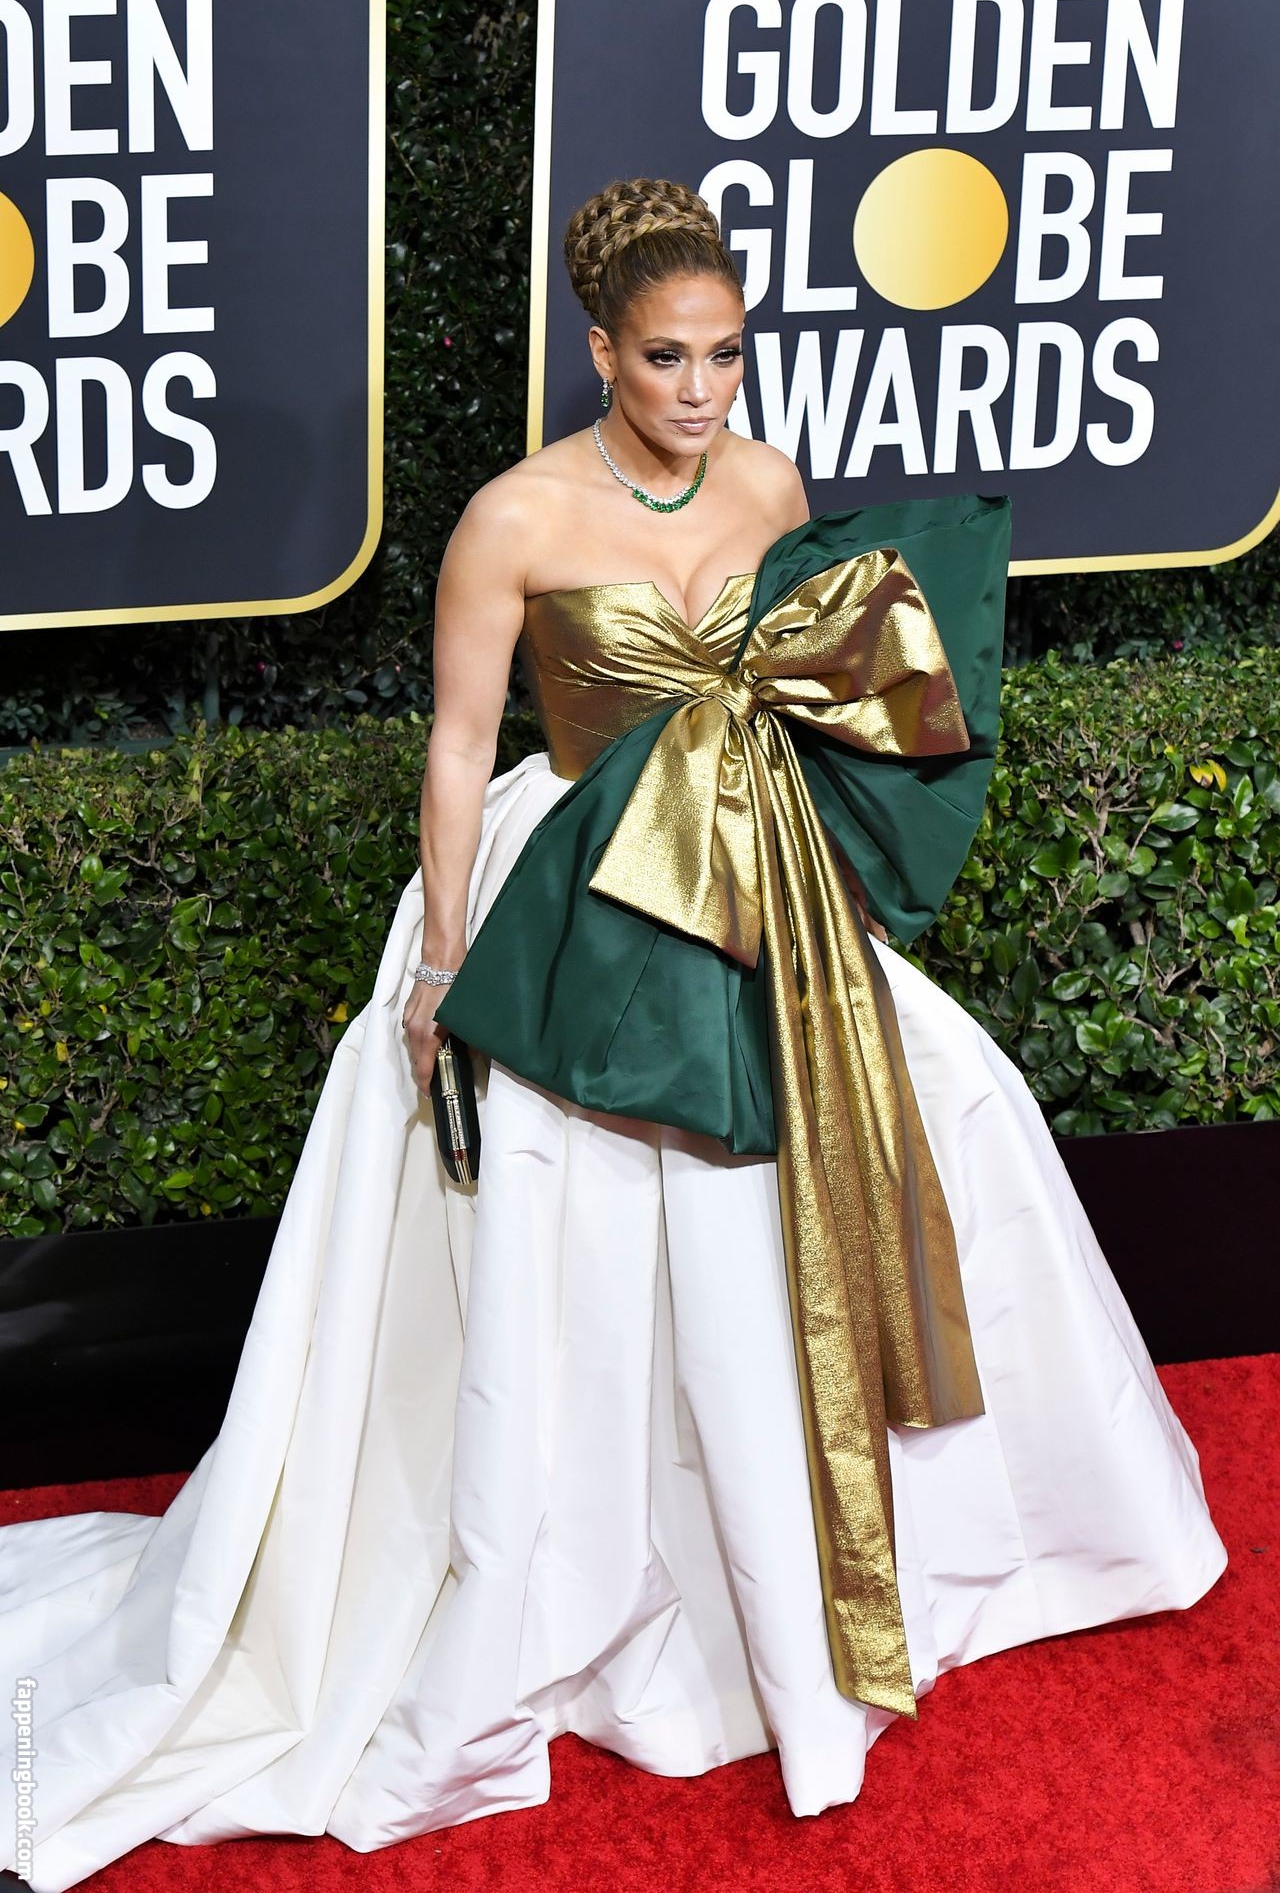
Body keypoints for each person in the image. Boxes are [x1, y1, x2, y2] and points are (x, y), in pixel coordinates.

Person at [1, 178, 1226, 1892]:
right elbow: (456, 745)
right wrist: (441, 966)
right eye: (667, 358)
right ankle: (566, 1587)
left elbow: (820, 699)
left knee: (917, 1136)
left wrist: (846, 880)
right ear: (600, 351)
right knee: (576, 1255)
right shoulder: (512, 518)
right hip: (578, 888)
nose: (702, 389)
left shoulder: (771, 484)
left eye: (726, 354)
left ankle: (805, 1581)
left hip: (759, 888)